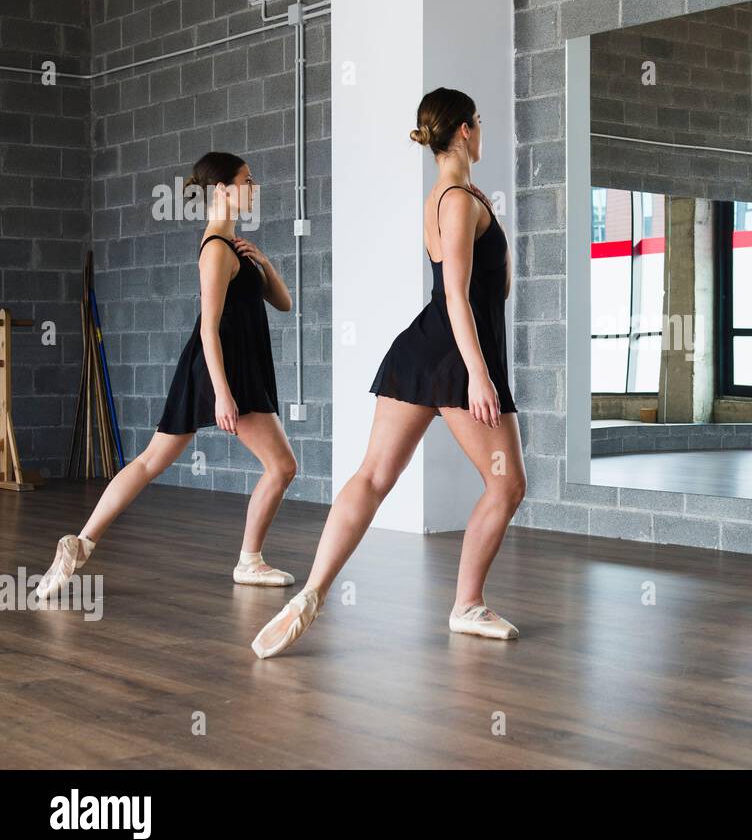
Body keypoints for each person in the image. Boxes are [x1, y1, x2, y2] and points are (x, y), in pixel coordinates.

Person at [251, 88, 526, 659]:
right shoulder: (458, 201)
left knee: (373, 477)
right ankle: (467, 604)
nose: (482, 128)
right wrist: (478, 373)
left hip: (424, 352)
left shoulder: (450, 195)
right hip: (453, 355)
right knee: (506, 483)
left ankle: (312, 593)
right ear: (467, 131)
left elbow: (478, 287)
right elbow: (456, 293)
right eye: (479, 120)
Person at [35, 152, 297, 600]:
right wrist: (222, 393)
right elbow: (209, 328)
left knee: (151, 461)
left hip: (232, 367)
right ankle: (248, 561)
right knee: (281, 465)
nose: (255, 188)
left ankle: (80, 545)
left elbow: (284, 303)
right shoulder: (215, 249)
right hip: (220, 369)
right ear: (222, 191)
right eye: (247, 180)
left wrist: (265, 264)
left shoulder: (236, 247)